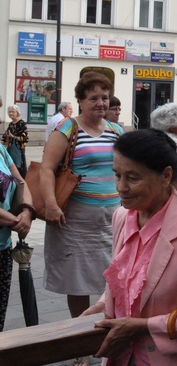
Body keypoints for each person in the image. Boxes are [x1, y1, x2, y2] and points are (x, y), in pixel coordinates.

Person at [80, 129, 177, 365]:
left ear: (166, 176)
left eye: (133, 178)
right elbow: (127, 277)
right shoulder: (123, 216)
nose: (121, 187)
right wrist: (104, 305)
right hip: (123, 357)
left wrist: (144, 327)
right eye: (117, 175)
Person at [40, 72, 124, 324]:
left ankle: (107, 331)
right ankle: (79, 341)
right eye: (93, 98)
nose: (100, 103)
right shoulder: (67, 128)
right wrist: (51, 205)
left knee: (113, 278)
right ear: (81, 100)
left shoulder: (116, 131)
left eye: (105, 98)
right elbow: (46, 168)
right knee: (77, 282)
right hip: (74, 221)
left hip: (111, 220)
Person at [0, 136, 34, 331]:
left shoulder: (1, 150)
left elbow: (21, 182)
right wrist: (16, 221)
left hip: (3, 246)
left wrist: (27, 212)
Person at [3, 105, 28, 177]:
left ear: (17, 112)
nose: (10, 113)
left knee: (19, 167)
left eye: (12, 112)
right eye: (9, 112)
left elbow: (25, 138)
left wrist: (13, 136)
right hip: (10, 149)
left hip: (19, 149)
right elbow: (5, 137)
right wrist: (7, 137)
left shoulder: (22, 123)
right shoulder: (11, 124)